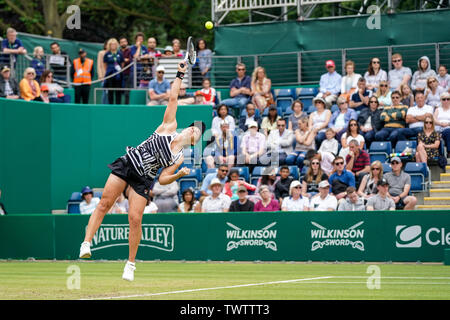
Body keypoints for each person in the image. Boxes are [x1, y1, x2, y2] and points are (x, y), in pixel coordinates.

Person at [79, 62, 203, 282]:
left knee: (135, 219)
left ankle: (130, 265)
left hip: (143, 179)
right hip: (129, 163)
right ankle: (87, 243)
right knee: (105, 203)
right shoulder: (169, 125)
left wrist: (178, 175)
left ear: (193, 141)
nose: (194, 128)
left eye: (197, 132)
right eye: (193, 126)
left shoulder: (179, 157)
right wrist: (180, 73)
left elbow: (163, 179)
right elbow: (173, 97)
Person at [103, 38, 124, 104]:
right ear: (109, 45)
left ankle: (118, 105)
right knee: (110, 91)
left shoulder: (120, 53)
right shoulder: (107, 54)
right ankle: (110, 105)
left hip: (118, 74)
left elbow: (122, 63)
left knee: (118, 91)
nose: (113, 46)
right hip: (110, 74)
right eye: (111, 44)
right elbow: (105, 64)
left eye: (114, 44)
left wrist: (119, 70)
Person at [119, 36, 132, 104]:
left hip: (128, 74)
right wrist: (124, 60)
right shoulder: (118, 52)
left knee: (127, 92)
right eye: (122, 42)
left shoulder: (130, 51)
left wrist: (123, 61)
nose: (123, 43)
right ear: (120, 44)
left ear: (127, 42)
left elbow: (129, 60)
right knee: (119, 92)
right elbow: (119, 61)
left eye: (125, 41)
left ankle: (126, 106)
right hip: (119, 75)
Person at [97, 40, 109, 104]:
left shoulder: (113, 53)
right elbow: (99, 65)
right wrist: (100, 76)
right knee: (105, 92)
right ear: (105, 46)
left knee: (109, 92)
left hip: (111, 76)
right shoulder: (101, 53)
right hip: (104, 77)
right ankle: (103, 105)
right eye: (108, 44)